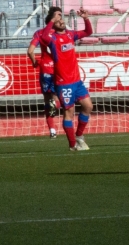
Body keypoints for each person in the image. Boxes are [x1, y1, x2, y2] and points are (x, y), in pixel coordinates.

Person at [40, 8, 93, 151]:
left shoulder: (71, 34)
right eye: (58, 20)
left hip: (77, 81)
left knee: (88, 106)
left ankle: (79, 136)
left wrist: (86, 18)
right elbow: (43, 37)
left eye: (62, 19)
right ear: (54, 24)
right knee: (68, 112)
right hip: (64, 83)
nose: (61, 21)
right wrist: (52, 20)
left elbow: (88, 32)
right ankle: (72, 145)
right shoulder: (52, 39)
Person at [27, 7, 61, 139]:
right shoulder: (60, 33)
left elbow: (30, 51)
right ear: (54, 18)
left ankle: (52, 131)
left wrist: (35, 62)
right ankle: (56, 106)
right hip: (59, 69)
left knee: (47, 100)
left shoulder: (39, 33)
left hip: (45, 69)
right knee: (59, 99)